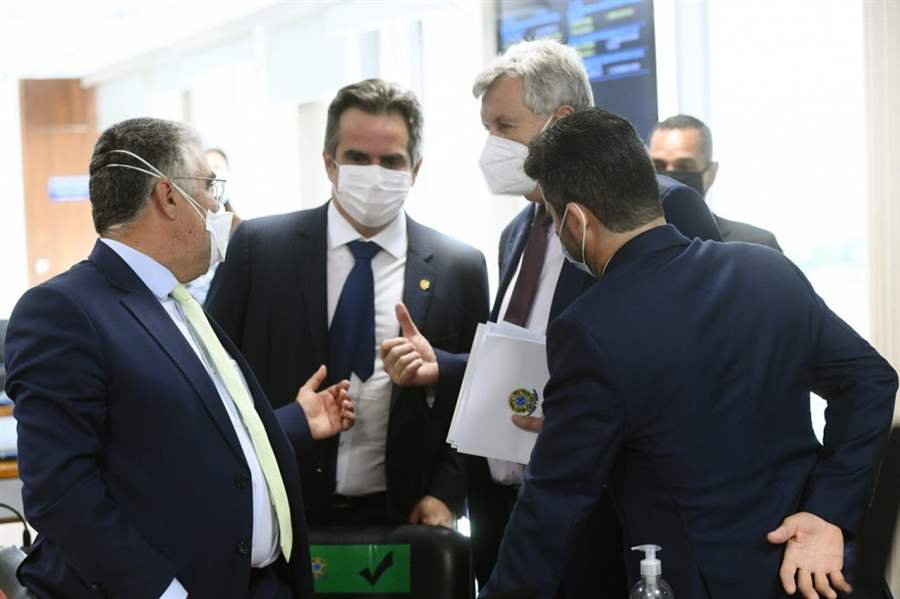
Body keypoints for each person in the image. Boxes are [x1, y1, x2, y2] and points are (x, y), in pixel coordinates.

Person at [481, 107, 898, 598]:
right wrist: (828, 511)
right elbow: (871, 380)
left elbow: (553, 502)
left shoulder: (590, 328)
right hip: (821, 576)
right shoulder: (765, 270)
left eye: (554, 218)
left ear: (576, 219)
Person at [380, 38, 721, 595]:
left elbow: (695, 366)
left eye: (504, 126)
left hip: (600, 517)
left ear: (559, 121)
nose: (491, 145)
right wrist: (444, 365)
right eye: (486, 128)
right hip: (509, 512)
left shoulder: (663, 208)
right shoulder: (519, 229)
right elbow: (533, 355)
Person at [4, 117, 356, 599]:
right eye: (210, 186)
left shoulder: (179, 303)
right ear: (168, 197)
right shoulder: (64, 310)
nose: (219, 205)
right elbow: (62, 494)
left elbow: (182, 435)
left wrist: (294, 421)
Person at [206, 79, 490, 528]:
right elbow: (210, 376)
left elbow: (476, 393)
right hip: (279, 512)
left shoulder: (461, 267)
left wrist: (447, 493)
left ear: (415, 168)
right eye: (358, 158)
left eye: (391, 161)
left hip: (405, 517)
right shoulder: (259, 249)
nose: (374, 174)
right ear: (329, 162)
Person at [649, 114, 782, 250]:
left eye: (683, 167)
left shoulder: (756, 246)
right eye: (657, 166)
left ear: (711, 173)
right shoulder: (637, 248)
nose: (669, 179)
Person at [186, 147, 241, 304]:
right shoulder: (188, 229)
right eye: (209, 169)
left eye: (218, 167)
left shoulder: (242, 231)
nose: (216, 175)